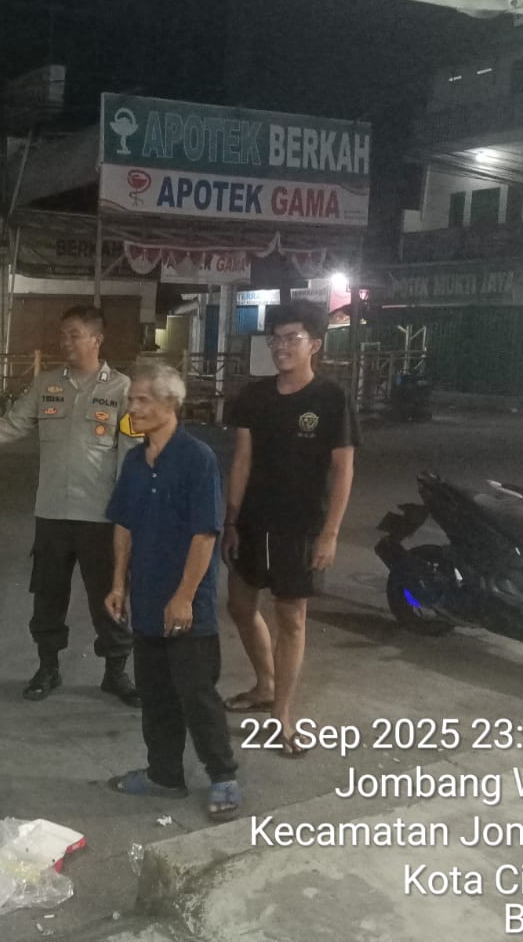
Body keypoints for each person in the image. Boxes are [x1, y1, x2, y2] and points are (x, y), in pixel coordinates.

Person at [0, 305, 139, 706]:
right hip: (52, 513)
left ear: (97, 339)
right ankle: (47, 667)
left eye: (75, 334)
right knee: (47, 596)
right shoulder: (46, 385)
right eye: (62, 335)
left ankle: (116, 672)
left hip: (101, 516)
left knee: (109, 597)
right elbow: (15, 423)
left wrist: (130, 511)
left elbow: (131, 452)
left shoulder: (122, 389)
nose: (65, 342)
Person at [223, 300, 359, 755]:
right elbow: (242, 461)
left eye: (292, 338)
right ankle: (265, 684)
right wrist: (231, 519)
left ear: (314, 344)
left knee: (291, 618)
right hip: (252, 520)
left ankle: (282, 714)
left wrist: (330, 533)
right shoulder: (253, 397)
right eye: (276, 339)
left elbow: (343, 470)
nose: (281, 347)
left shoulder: (331, 398)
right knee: (240, 605)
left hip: (300, 526)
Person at [104, 363, 239, 818]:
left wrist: (183, 597)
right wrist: (118, 584)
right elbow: (123, 525)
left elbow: (205, 535)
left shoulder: (197, 459)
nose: (133, 408)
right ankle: (164, 775)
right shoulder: (134, 461)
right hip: (145, 599)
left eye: (142, 399)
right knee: (156, 693)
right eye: (131, 400)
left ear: (170, 403)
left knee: (196, 693)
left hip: (187, 605)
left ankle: (223, 777)